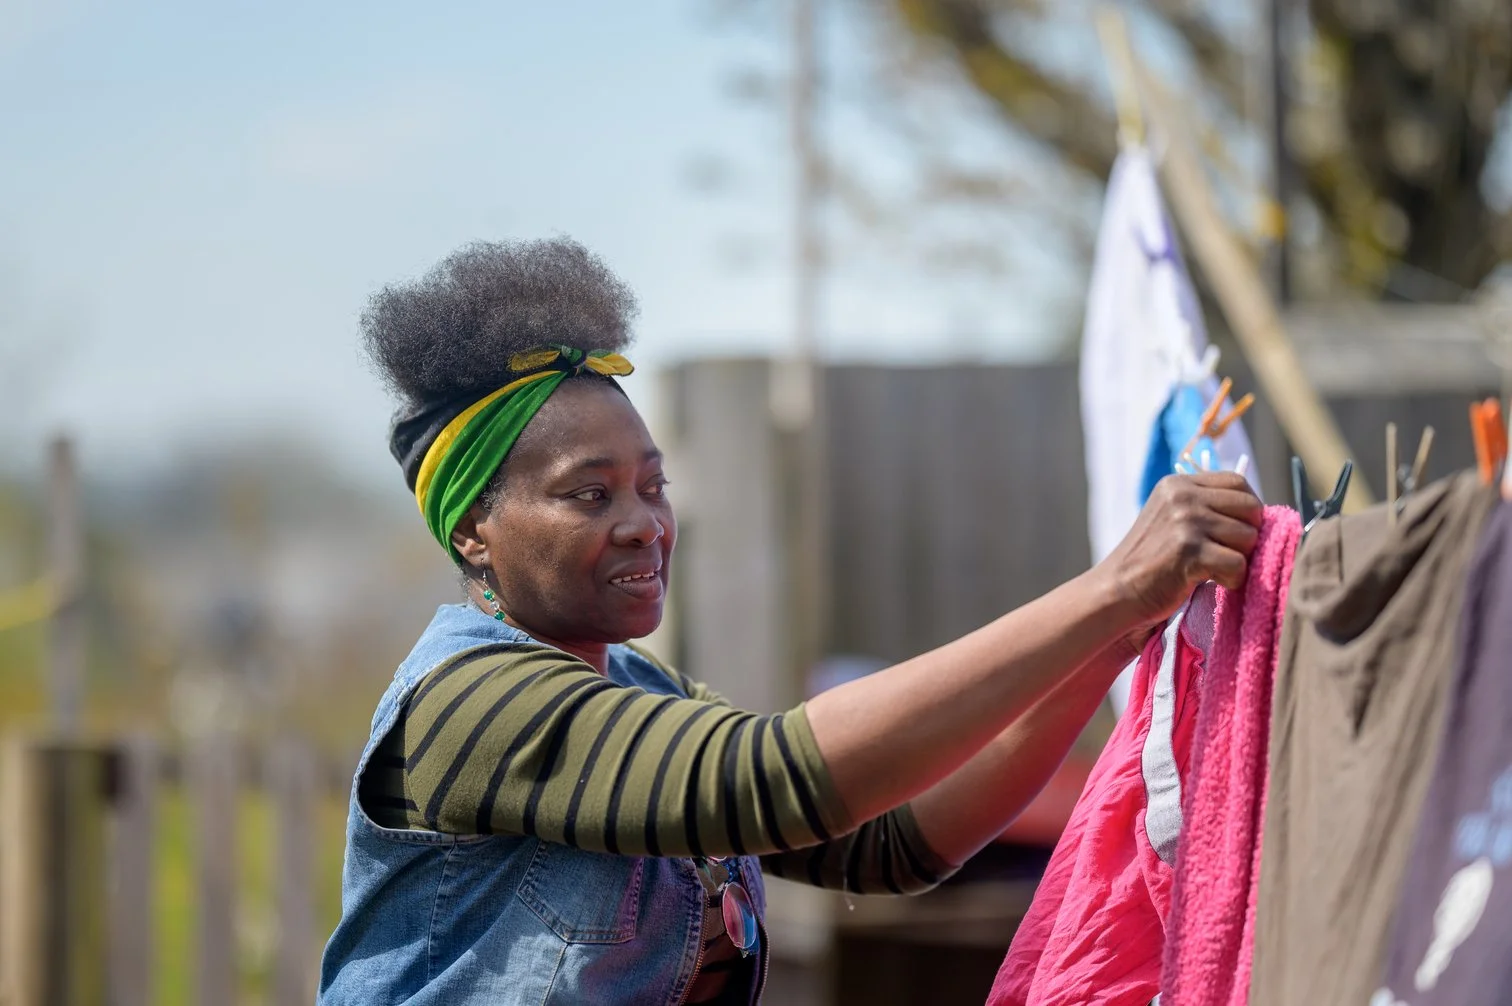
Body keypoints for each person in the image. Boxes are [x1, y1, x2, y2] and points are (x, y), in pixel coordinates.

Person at [317, 238, 1263, 1005]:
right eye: (589, 494)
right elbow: (768, 778)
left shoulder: (641, 692)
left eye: (653, 486)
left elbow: (899, 843)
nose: (643, 521)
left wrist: (1113, 640)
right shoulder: (469, 705)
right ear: (477, 528)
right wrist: (1105, 592)